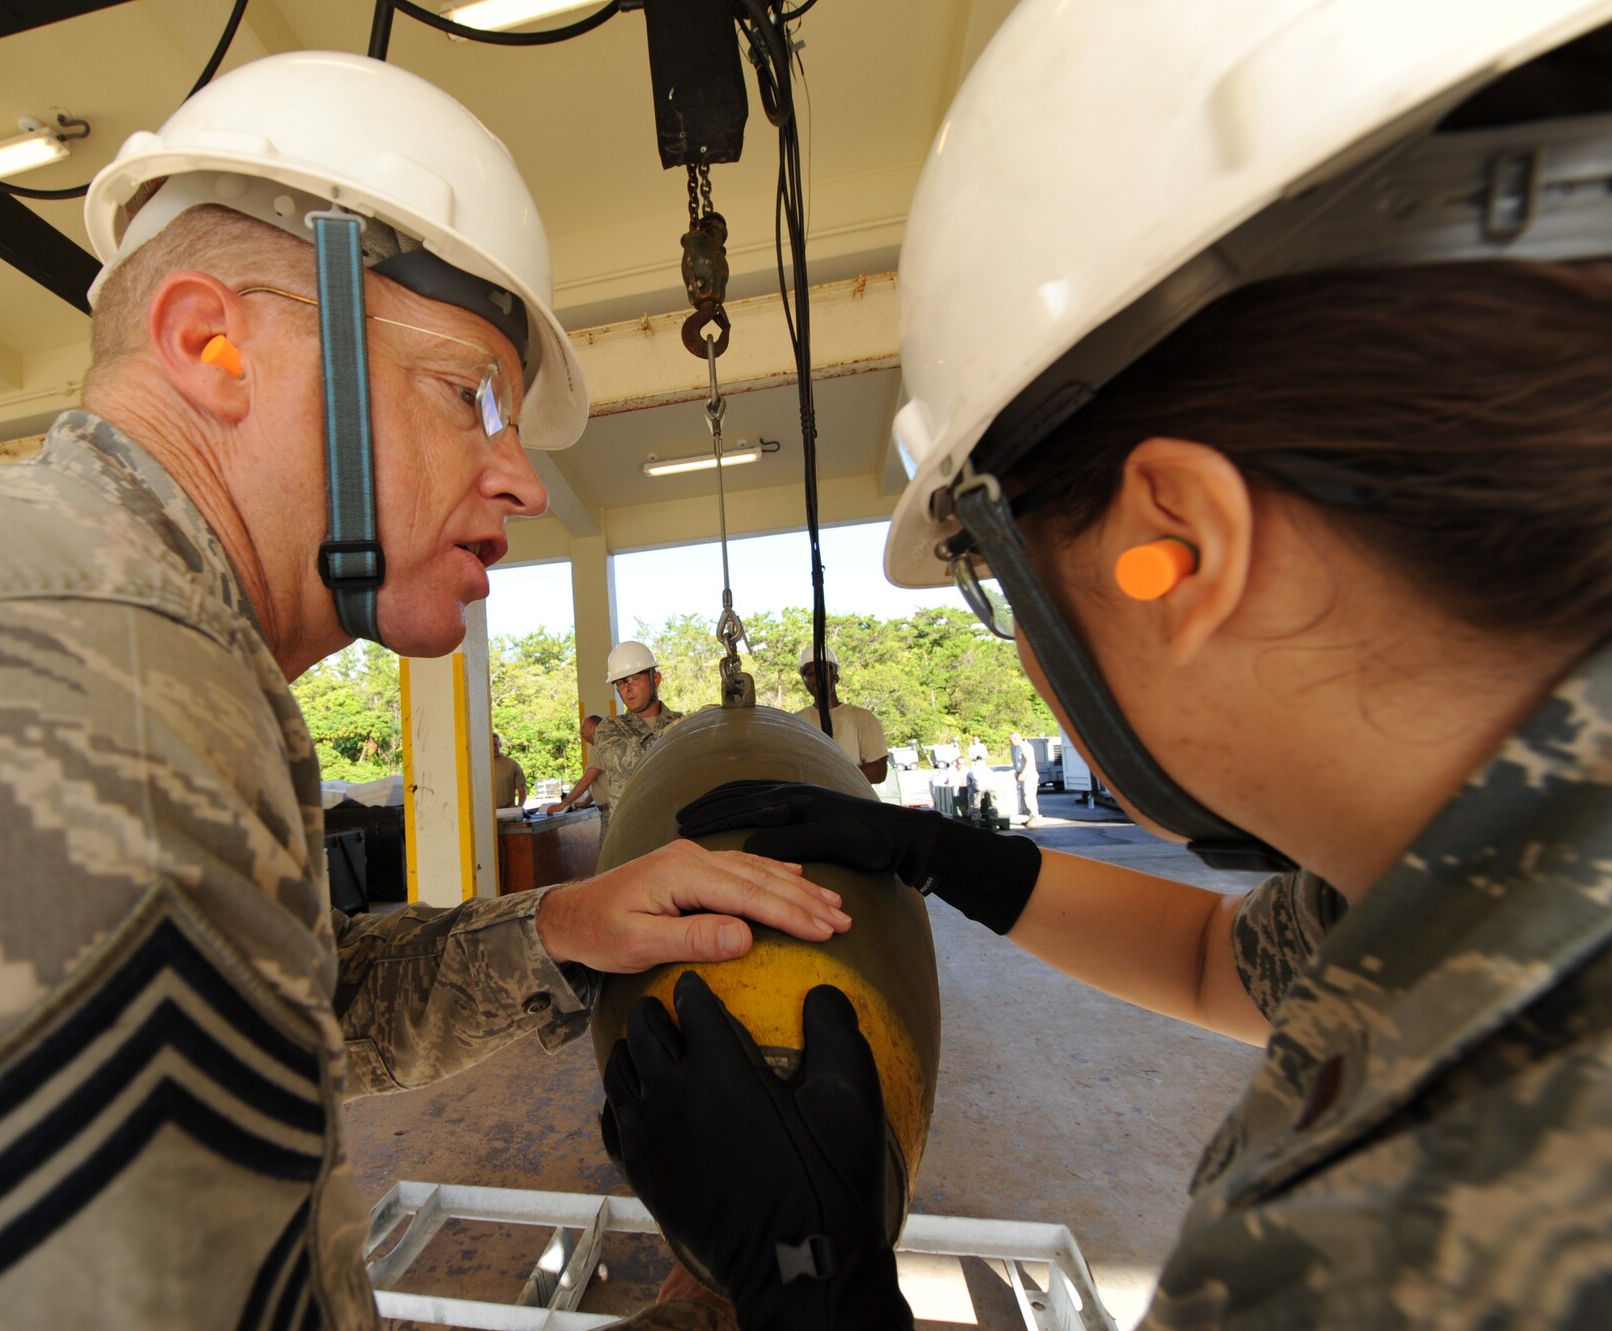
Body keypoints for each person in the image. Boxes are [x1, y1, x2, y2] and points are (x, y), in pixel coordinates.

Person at [0, 53, 854, 1331]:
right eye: (468, 391)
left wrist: (556, 929)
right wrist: (753, 1306)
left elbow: (285, 996)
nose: (522, 480)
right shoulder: (101, 702)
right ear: (212, 344)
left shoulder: (95, 637)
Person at [613, 4, 1612, 1328]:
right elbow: (1214, 960)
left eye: (993, 573)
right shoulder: (1487, 858)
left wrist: (817, 1289)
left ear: (1172, 549)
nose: (1024, 652)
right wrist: (927, 849)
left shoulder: (1414, 1231)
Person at [591, 641, 685, 818]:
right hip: (631, 836)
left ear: (655, 679)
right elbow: (627, 761)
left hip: (676, 830)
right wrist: (680, 733)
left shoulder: (680, 722)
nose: (627, 688)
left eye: (635, 679)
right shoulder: (609, 728)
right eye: (620, 683)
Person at [793, 647, 890, 787]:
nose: (817, 679)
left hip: (853, 805)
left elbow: (879, 771)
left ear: (836, 677)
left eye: (822, 672)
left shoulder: (863, 718)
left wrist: (831, 778)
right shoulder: (796, 722)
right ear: (805, 681)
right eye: (811, 674)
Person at [544, 713, 603, 813]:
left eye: (583, 728)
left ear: (593, 728)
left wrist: (562, 805)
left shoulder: (599, 748)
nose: (581, 732)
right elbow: (600, 782)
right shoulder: (602, 746)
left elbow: (586, 780)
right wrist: (586, 802)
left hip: (612, 810)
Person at [1010, 731, 1041, 825]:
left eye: (1011, 740)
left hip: (1029, 775)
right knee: (1024, 797)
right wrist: (1017, 773)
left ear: (1016, 738)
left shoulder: (1025, 746)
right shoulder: (1017, 748)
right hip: (1023, 774)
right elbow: (1019, 763)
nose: (1011, 742)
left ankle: (1035, 817)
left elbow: (1029, 761)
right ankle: (1031, 817)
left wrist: (1023, 774)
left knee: (1029, 796)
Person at [491, 732, 528, 808]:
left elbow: (521, 788)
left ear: (500, 745)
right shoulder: (480, 767)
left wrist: (519, 806)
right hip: (488, 812)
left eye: (495, 745)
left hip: (508, 811)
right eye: (490, 745)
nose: (493, 748)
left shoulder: (511, 764)